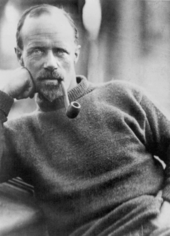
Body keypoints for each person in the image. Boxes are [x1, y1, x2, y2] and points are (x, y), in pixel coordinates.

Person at [0, 3, 170, 236]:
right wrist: (5, 92)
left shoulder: (123, 96)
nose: (51, 63)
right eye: (37, 51)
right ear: (20, 57)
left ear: (76, 55)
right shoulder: (20, 134)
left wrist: (167, 213)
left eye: (60, 51)